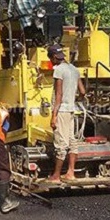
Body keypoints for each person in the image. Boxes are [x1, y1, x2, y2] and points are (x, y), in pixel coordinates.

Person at [46, 44, 86, 183]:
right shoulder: (74, 69)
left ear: (55, 57)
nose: (51, 62)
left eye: (51, 59)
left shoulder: (59, 70)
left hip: (62, 110)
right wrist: (74, 100)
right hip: (71, 110)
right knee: (72, 141)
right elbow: (83, 91)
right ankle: (70, 173)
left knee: (61, 143)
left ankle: (56, 176)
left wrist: (54, 116)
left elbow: (58, 94)